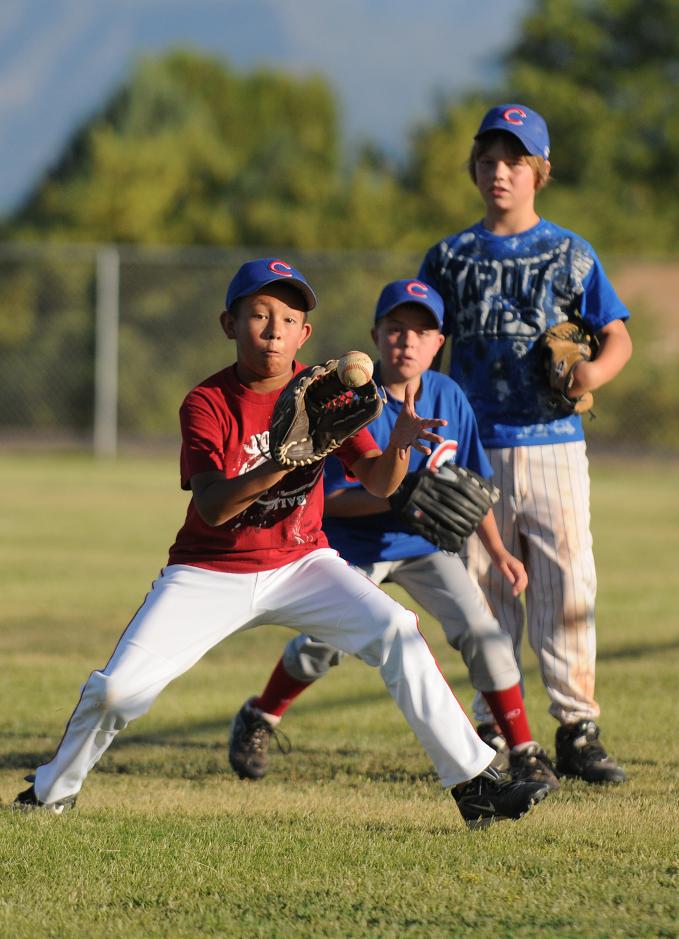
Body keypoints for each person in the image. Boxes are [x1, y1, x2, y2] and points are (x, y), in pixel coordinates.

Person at [12, 257, 551, 827]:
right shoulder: (207, 402)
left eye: (288, 319)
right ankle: (51, 790)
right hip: (209, 570)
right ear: (229, 324)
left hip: (302, 561)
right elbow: (214, 507)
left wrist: (396, 445)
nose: (273, 330)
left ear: (305, 333)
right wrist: (282, 461)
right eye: (258, 315)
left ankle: (476, 785)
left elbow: (376, 481)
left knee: (397, 631)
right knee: (119, 693)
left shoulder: (324, 392)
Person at [229, 278, 559, 791]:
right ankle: (259, 717)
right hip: (349, 547)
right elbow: (331, 498)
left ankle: (524, 749)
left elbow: (475, 484)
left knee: (484, 632)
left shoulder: (450, 396)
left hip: (425, 547)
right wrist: (397, 495)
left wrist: (498, 551)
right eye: (396, 329)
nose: (407, 341)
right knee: (321, 647)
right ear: (376, 335)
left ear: (438, 343)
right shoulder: (347, 400)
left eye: (421, 331)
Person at [417, 104, 633, 783]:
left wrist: (591, 371)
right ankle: (492, 725)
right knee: (483, 588)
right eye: (487, 159)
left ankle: (576, 726)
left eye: (514, 160)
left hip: (552, 441)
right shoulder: (449, 256)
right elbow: (421, 341)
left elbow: (615, 332)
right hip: (470, 444)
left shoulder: (571, 253)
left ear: (541, 171)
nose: (498, 171)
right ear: (474, 169)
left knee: (565, 580)